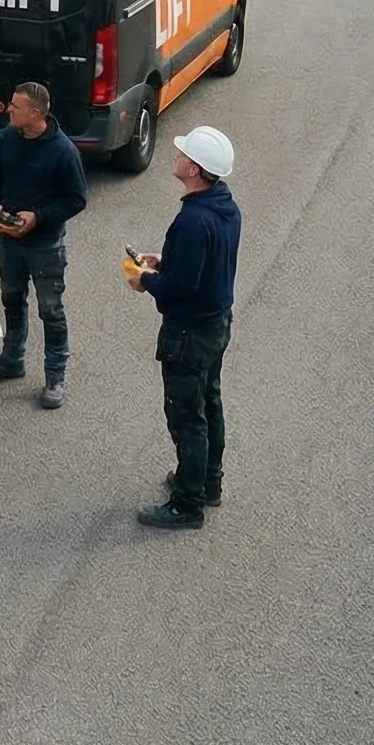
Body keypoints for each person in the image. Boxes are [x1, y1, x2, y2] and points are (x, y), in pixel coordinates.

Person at [128, 125, 242, 529]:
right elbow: (203, 266)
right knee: (209, 402)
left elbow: (181, 288)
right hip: (216, 326)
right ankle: (208, 482)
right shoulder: (225, 207)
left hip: (189, 334)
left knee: (185, 415)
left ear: (193, 169)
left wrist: (146, 281)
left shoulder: (192, 220)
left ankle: (187, 504)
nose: (174, 157)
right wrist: (166, 260)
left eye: (181, 155)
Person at [0, 80, 88, 406]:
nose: (9, 109)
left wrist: (38, 217)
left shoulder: (63, 152)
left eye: (16, 106)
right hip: (9, 243)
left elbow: (77, 199)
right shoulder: (7, 138)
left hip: (45, 247)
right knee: (12, 301)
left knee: (51, 311)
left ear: (35, 113)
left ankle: (55, 378)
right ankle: (12, 361)